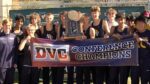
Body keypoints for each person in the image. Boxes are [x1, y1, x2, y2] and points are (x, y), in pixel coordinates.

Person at [90, 5, 110, 84]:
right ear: (91, 14)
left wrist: (107, 35)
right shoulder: (90, 24)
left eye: (96, 13)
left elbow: (109, 33)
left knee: (103, 73)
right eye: (93, 13)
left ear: (99, 13)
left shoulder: (103, 22)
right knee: (95, 73)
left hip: (103, 52)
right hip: (94, 52)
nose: (94, 14)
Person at [108, 13, 130, 84]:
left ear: (125, 20)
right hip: (114, 56)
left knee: (123, 77)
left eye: (122, 19)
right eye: (118, 19)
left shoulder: (128, 29)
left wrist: (123, 38)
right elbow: (109, 37)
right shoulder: (113, 28)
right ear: (116, 20)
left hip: (124, 57)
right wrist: (113, 35)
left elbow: (131, 40)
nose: (120, 21)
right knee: (113, 76)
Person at [0, 19, 18, 84]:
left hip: (11, 65)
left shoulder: (14, 36)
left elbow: (16, 51)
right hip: (1, 65)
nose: (8, 27)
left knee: (10, 82)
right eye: (6, 25)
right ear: (3, 25)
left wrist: (15, 62)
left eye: (9, 25)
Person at [134, 15, 150, 84]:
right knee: (134, 80)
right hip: (135, 62)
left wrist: (143, 41)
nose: (140, 25)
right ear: (135, 25)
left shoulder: (149, 33)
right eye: (138, 23)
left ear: (145, 24)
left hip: (147, 62)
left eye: (142, 23)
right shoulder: (133, 34)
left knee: (144, 80)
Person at [76, 13, 91, 84]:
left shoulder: (91, 29)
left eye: (86, 19)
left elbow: (93, 42)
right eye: (82, 20)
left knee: (86, 74)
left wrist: (86, 39)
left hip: (87, 56)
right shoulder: (77, 30)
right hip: (78, 55)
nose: (84, 21)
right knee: (79, 74)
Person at [12, 14, 25, 84]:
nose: (20, 23)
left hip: (21, 56)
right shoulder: (10, 30)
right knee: (10, 75)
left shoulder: (24, 32)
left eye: (21, 21)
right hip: (11, 57)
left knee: (21, 75)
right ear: (15, 21)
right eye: (18, 21)